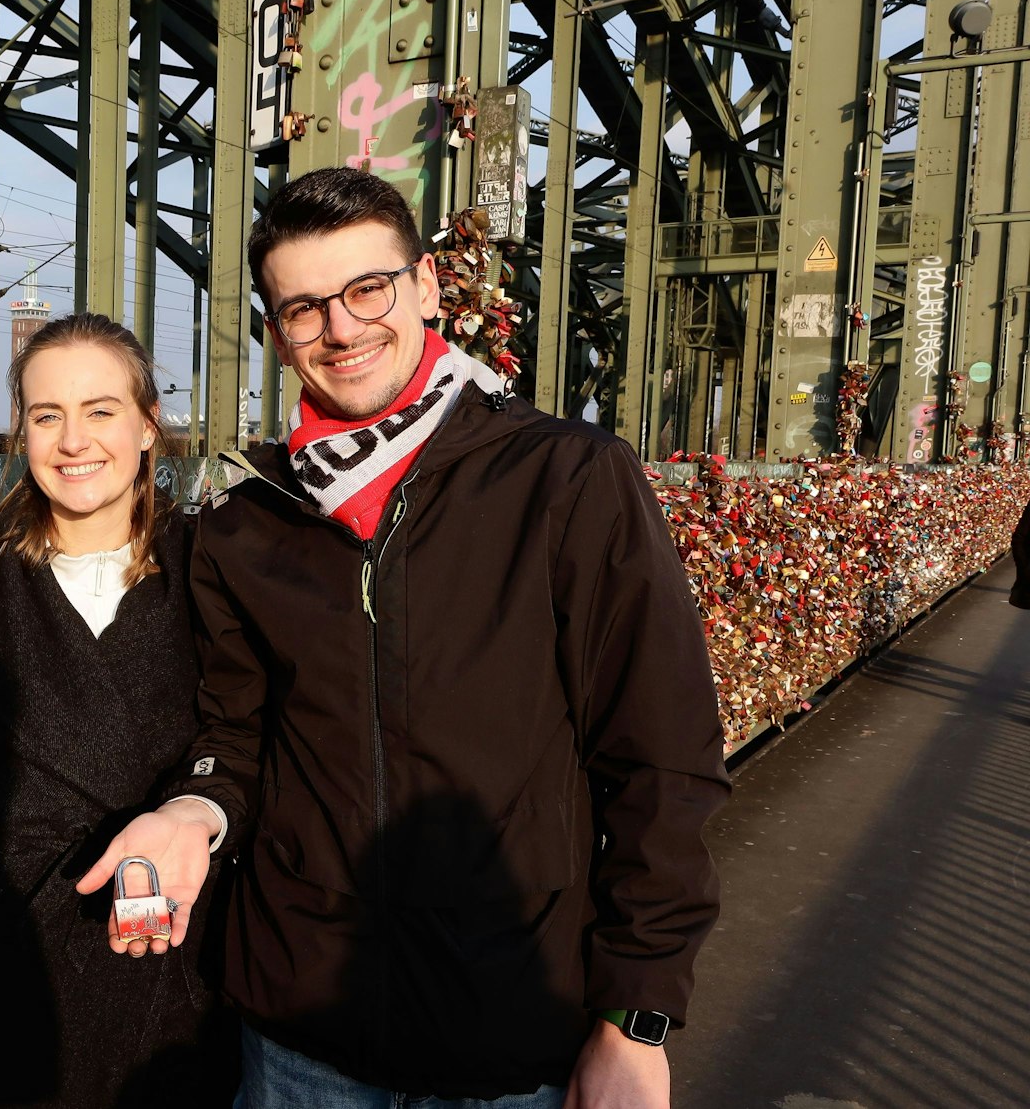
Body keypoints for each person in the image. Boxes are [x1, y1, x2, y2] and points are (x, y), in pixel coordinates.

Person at [79, 167, 731, 1108]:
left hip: (510, 1029)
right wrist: (194, 810)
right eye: (304, 308)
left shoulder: (564, 479)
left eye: (367, 289)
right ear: (277, 332)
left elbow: (662, 757)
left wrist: (636, 1017)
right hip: (299, 1037)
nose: (341, 328)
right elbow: (237, 735)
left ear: (425, 287)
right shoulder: (245, 520)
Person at [0, 313, 236, 1109]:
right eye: (46, 416)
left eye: (100, 410)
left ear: (146, 425)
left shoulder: (214, 566)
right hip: (2, 983)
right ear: (21, 433)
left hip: (179, 981)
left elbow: (251, 742)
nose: (74, 441)